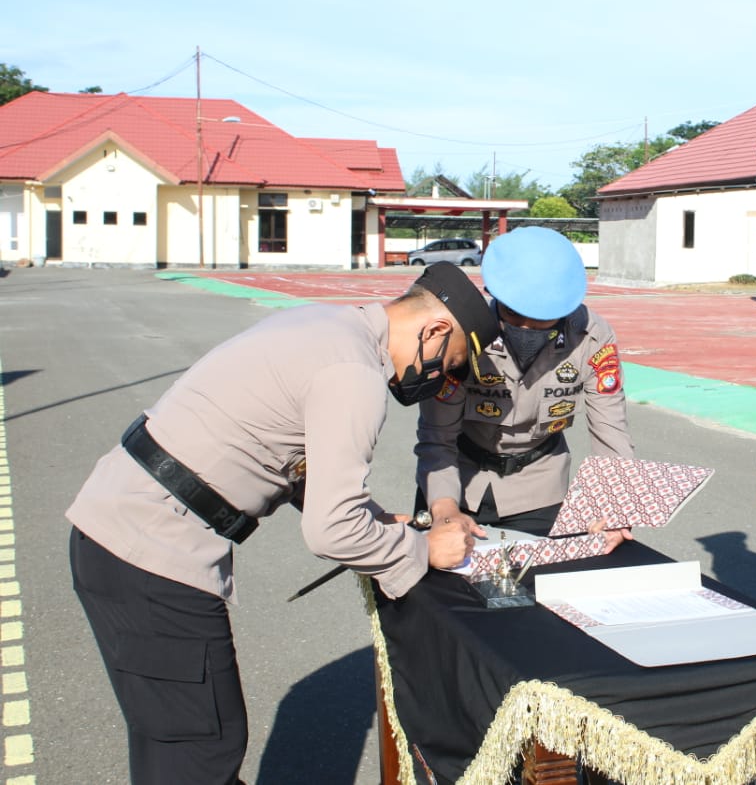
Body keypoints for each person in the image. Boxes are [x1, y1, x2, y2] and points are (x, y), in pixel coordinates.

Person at [67, 263, 499, 785]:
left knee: (172, 739)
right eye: (450, 365)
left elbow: (284, 450)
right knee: (203, 747)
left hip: (117, 528)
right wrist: (423, 551)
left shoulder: (325, 325)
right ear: (434, 330)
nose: (442, 382)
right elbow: (331, 528)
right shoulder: (354, 372)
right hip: (153, 554)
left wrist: (382, 522)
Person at [415, 226, 634, 540]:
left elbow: (611, 430)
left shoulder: (592, 337)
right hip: (457, 480)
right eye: (515, 314)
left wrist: (614, 507)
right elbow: (438, 436)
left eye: (543, 317)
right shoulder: (464, 335)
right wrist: (445, 508)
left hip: (540, 489)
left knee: (541, 585)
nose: (527, 327)